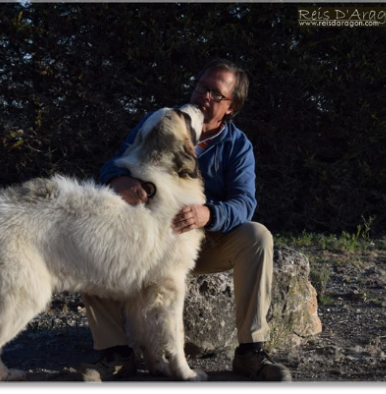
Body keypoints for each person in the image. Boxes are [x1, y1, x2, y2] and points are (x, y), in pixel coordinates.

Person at [81, 58, 292, 382]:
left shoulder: (237, 146)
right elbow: (118, 161)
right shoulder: (161, 122)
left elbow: (245, 202)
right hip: (149, 239)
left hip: (204, 242)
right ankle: (115, 355)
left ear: (231, 106)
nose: (204, 96)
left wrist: (210, 213)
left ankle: (251, 353)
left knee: (257, 236)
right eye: (202, 87)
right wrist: (117, 180)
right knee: (94, 241)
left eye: (215, 94)